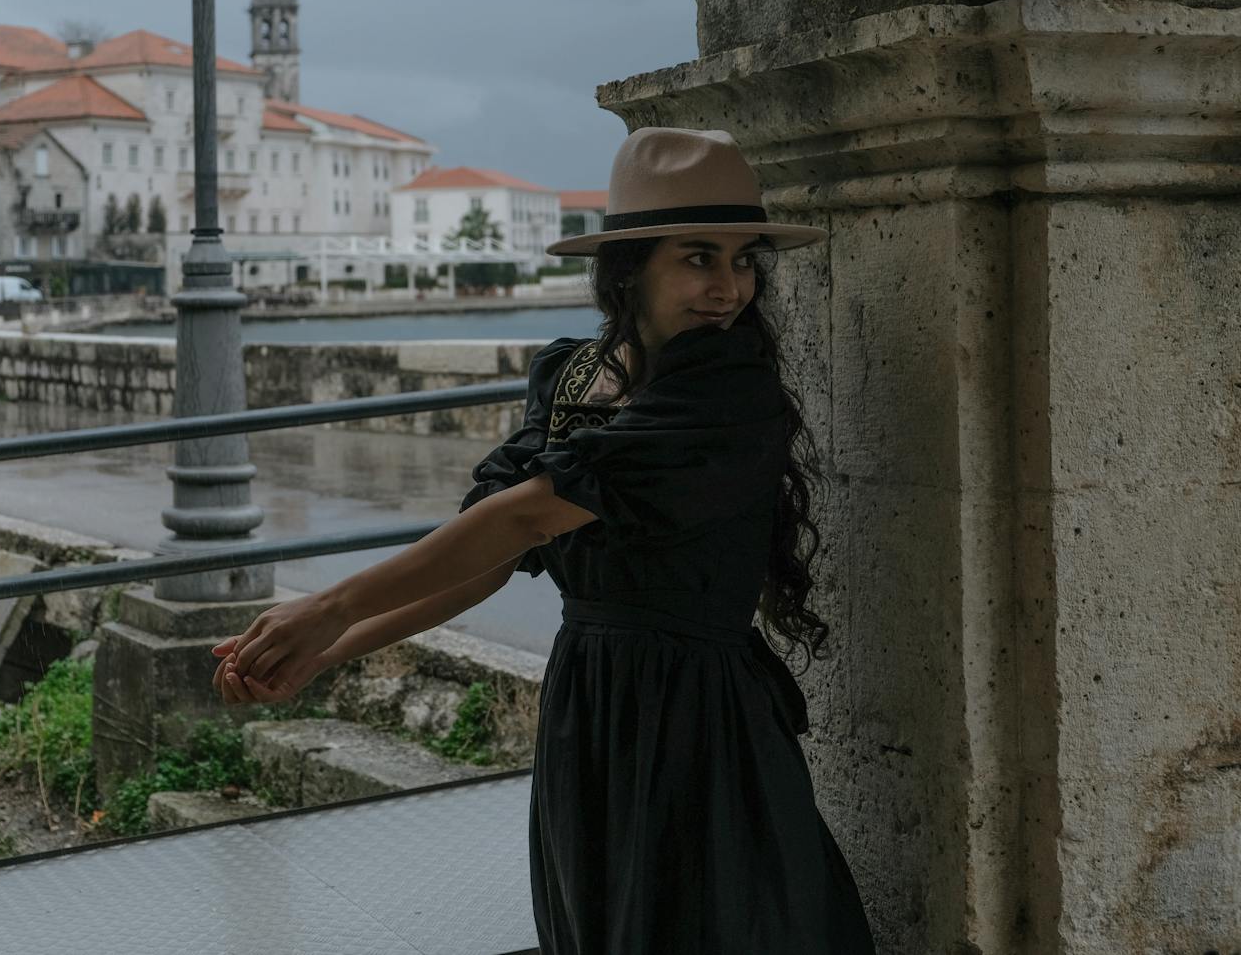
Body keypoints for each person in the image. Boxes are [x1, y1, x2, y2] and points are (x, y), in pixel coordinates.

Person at [211, 127, 878, 953]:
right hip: (590, 712)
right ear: (629, 268)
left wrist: (325, 607)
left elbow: (524, 514)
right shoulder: (571, 377)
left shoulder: (730, 397)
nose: (729, 287)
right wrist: (330, 648)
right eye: (699, 257)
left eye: (744, 259)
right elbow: (490, 553)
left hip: (697, 721)